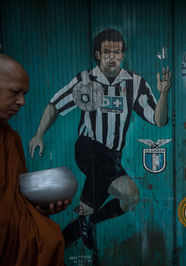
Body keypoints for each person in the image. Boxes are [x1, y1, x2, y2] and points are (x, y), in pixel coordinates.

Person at [29, 28, 171, 250]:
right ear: (98, 54)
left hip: (112, 157)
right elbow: (54, 106)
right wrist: (39, 134)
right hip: (87, 148)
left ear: (123, 54)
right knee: (100, 162)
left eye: (117, 52)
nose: (112, 57)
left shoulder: (135, 83)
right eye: (107, 52)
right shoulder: (85, 80)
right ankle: (85, 220)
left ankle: (83, 224)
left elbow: (159, 120)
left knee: (131, 196)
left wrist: (163, 94)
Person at [0, 54, 69, 265]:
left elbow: (14, 200)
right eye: (15, 92)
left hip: (13, 247)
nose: (22, 102)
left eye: (24, 93)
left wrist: (38, 209)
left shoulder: (9, 138)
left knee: (49, 237)